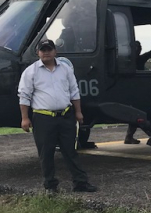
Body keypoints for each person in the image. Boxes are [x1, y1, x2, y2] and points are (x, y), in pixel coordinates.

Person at [18, 39, 97, 193]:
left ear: (55, 51)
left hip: (66, 116)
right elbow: (24, 96)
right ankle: (50, 185)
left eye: (49, 49)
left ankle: (80, 183)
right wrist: (25, 118)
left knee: (70, 151)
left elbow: (74, 91)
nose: (46, 52)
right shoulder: (31, 71)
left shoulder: (65, 69)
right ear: (38, 53)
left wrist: (78, 112)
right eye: (43, 50)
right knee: (46, 153)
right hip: (43, 118)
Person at [124, 40, 151, 144]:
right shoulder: (138, 60)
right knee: (139, 114)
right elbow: (150, 53)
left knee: (136, 115)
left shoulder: (127, 60)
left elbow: (150, 53)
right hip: (136, 91)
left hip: (131, 90)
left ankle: (130, 136)